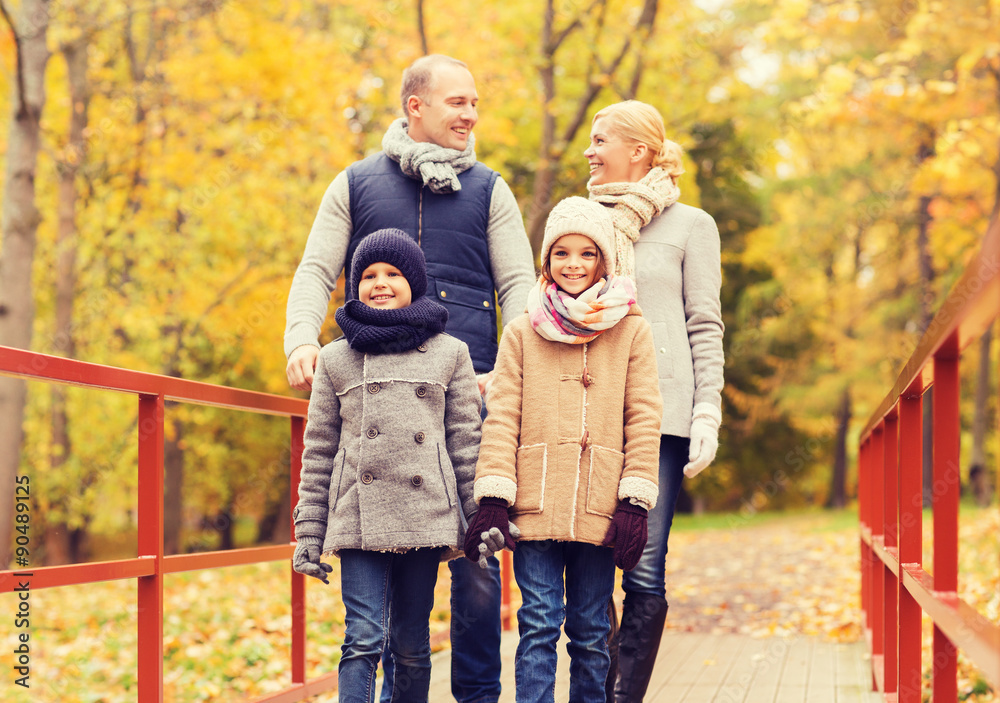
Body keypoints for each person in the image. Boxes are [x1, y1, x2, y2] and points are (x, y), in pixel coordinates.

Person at [283, 54, 535, 703]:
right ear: (415, 106)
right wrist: (301, 341)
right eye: (458, 101)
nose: (471, 114)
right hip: (379, 396)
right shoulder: (357, 183)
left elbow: (520, 288)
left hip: (469, 393)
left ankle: (477, 694)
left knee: (478, 562)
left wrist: (508, 370)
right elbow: (316, 270)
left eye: (475, 102)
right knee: (386, 593)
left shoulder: (490, 189)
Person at [463, 197, 663, 703]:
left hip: (599, 506)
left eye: (586, 254)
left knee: (592, 632)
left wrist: (634, 502)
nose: (573, 265)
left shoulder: (631, 330)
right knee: (537, 625)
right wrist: (492, 498)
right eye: (561, 254)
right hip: (535, 504)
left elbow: (643, 418)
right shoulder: (521, 332)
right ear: (546, 262)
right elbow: (502, 416)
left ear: (603, 260)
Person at [292, 230, 483, 703]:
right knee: (362, 639)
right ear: (354, 285)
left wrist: (480, 518)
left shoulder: (451, 353)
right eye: (369, 275)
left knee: (412, 644)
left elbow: (464, 443)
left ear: (413, 282)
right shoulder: (335, 357)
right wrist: (308, 533)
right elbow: (318, 452)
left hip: (424, 516)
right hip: (358, 516)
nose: (380, 283)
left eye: (393, 273)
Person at [585, 100, 725, 702]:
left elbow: (704, 325)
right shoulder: (579, 222)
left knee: (644, 565)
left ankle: (624, 696)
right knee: (588, 562)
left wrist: (707, 411)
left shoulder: (693, 225)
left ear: (638, 149)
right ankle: (594, 687)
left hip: (662, 418)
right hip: (588, 413)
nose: (589, 152)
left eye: (600, 141)